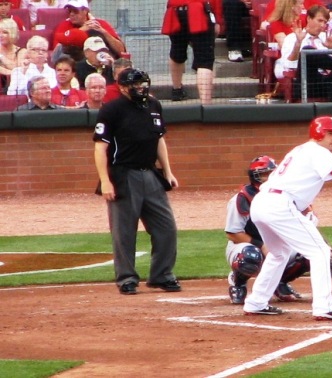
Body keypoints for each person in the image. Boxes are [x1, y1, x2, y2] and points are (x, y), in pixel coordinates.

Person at [243, 116, 332, 319]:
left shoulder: (301, 150)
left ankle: (256, 302)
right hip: (279, 204)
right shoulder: (317, 151)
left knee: (279, 253)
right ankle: (324, 308)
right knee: (320, 252)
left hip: (262, 203)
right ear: (318, 133)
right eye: (330, 133)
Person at [93, 68, 180, 296]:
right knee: (124, 232)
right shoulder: (112, 110)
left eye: (143, 84)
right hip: (122, 175)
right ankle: (127, 278)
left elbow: (159, 140)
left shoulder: (153, 105)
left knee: (166, 227)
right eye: (135, 85)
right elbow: (100, 147)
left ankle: (162, 275)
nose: (140, 88)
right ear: (122, 87)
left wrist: (168, 172)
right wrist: (105, 181)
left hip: (150, 174)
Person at [224, 155, 332, 304]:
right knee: (250, 256)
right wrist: (261, 245)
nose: (267, 178)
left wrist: (324, 245)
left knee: (307, 252)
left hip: (277, 245)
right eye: (263, 174)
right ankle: (238, 282)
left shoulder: (288, 195)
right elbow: (233, 233)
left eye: (270, 173)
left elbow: (307, 227)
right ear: (254, 177)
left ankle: (279, 282)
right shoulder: (242, 198)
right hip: (246, 245)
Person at [161, 0, 223, 104]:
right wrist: (217, 20)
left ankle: (177, 90)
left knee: (177, 52)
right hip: (198, 11)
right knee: (205, 60)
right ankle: (205, 103)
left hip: (175, 11)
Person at [53, 0, 125, 62]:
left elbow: (122, 51)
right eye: (69, 11)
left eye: (75, 11)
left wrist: (104, 32)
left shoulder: (101, 24)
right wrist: (81, 30)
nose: (71, 14)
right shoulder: (64, 25)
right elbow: (57, 53)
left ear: (85, 11)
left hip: (103, 61)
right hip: (76, 64)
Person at [0, 18, 27, 92]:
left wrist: (1, 57)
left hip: (18, 90)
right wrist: (12, 72)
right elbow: (15, 72)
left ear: (12, 33)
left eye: (5, 32)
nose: (1, 35)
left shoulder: (22, 51)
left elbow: (18, 69)